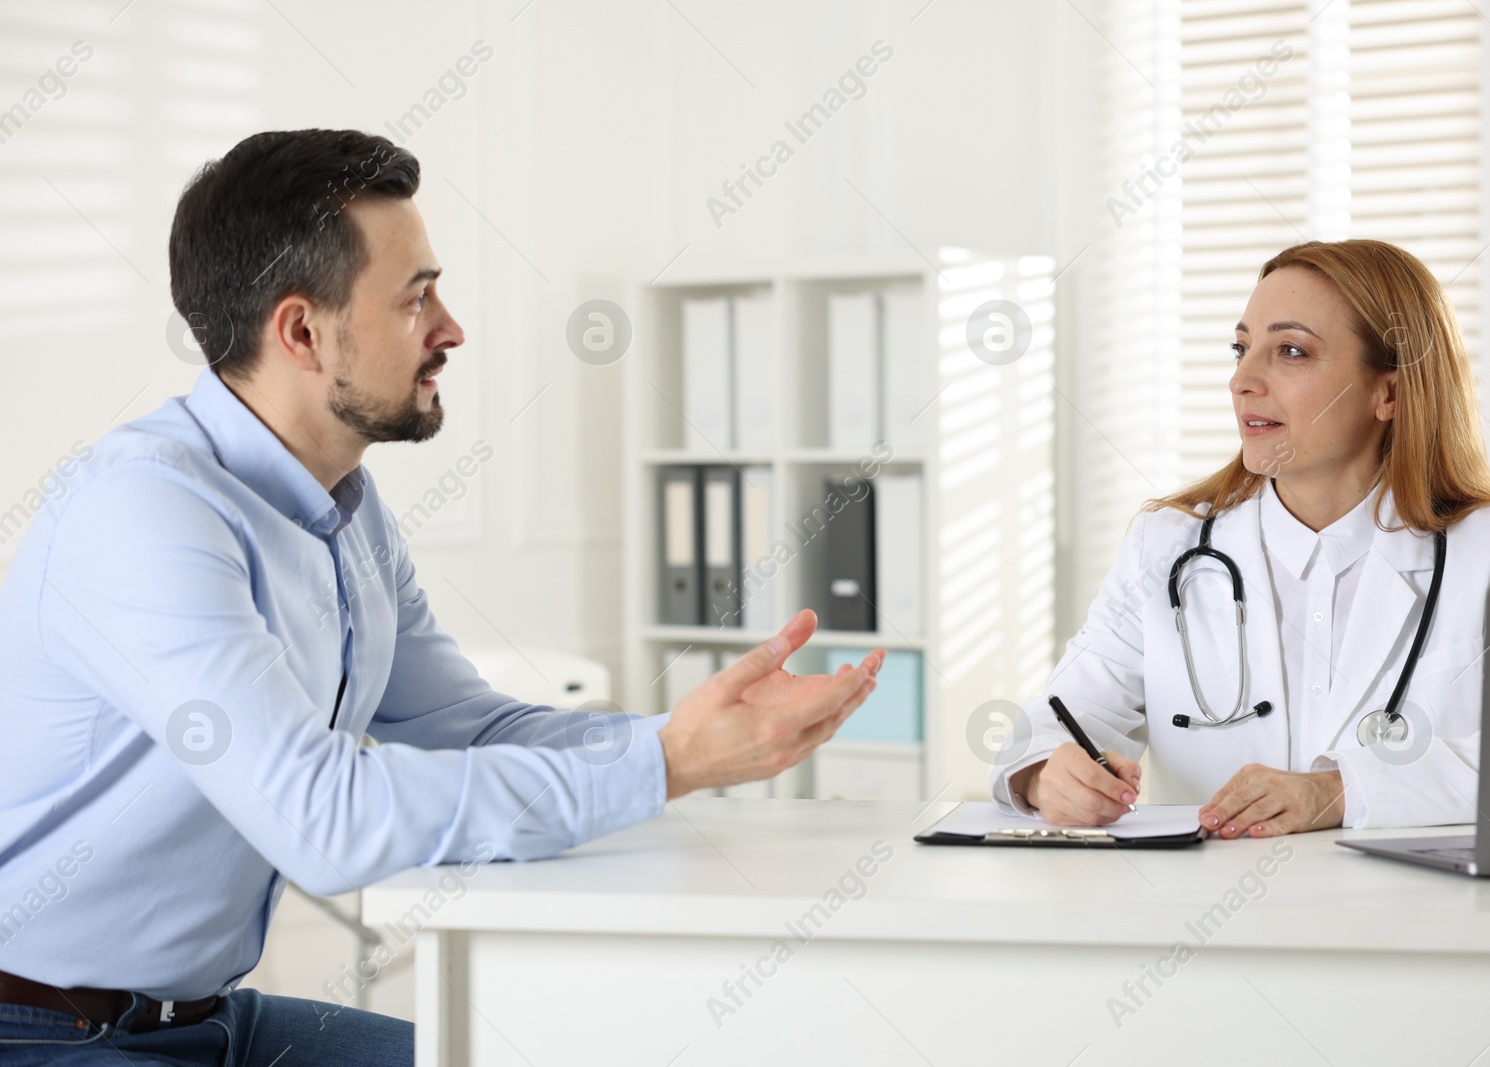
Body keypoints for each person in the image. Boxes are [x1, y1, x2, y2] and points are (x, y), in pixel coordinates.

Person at [0, 129, 883, 1065]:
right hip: (44, 1028)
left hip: (207, 1020)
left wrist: (684, 739)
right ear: (301, 331)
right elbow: (324, 818)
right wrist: (662, 764)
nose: (450, 328)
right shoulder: (142, 510)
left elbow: (463, 721)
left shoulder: (348, 508)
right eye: (416, 297)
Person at [992, 239, 1490, 838]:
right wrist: (1045, 773)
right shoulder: (1168, 545)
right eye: (1241, 348)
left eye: (1291, 351)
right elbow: (1062, 718)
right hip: (1209, 919)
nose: (1241, 380)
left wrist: (1340, 791)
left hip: (1406, 919)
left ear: (1389, 391)